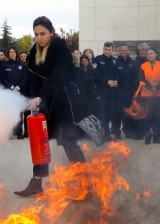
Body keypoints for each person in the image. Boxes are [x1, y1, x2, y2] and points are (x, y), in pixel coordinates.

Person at [15, 16, 103, 197]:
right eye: (36, 34)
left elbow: (57, 79)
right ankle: (37, 182)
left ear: (52, 32)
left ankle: (86, 185)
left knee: (68, 141)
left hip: (67, 102)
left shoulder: (60, 49)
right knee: (41, 140)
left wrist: (39, 98)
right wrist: (35, 99)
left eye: (43, 34)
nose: (39, 38)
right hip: (48, 101)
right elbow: (35, 79)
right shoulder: (36, 51)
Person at [136, 48, 160, 145]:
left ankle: (157, 136)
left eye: (151, 53)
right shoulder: (143, 66)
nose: (149, 55)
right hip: (147, 95)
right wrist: (151, 88)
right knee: (147, 116)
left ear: (155, 54)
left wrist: (157, 88)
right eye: (148, 54)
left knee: (159, 116)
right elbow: (141, 79)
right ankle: (147, 135)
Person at [1, 46, 29, 139]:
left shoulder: (22, 65)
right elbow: (3, 78)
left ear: (16, 53)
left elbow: (25, 78)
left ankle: (19, 133)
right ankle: (9, 133)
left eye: (13, 52)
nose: (12, 53)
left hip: (19, 92)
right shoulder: (4, 65)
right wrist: (12, 87)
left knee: (19, 113)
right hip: (9, 92)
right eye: (10, 52)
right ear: (8, 54)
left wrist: (18, 87)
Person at [93, 42, 119, 140]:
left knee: (110, 113)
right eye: (105, 49)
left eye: (109, 50)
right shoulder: (98, 59)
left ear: (112, 50)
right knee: (101, 114)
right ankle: (102, 134)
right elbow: (96, 75)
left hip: (112, 91)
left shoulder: (114, 61)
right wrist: (107, 81)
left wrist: (116, 81)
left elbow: (117, 73)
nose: (107, 51)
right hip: (102, 91)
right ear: (103, 49)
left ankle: (106, 133)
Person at [115, 44, 138, 140]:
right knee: (117, 114)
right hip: (118, 93)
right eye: (122, 50)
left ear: (128, 51)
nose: (123, 52)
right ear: (119, 51)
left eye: (125, 50)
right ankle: (116, 132)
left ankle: (128, 131)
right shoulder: (115, 62)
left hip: (130, 93)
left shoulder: (133, 63)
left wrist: (133, 90)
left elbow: (136, 77)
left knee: (129, 113)